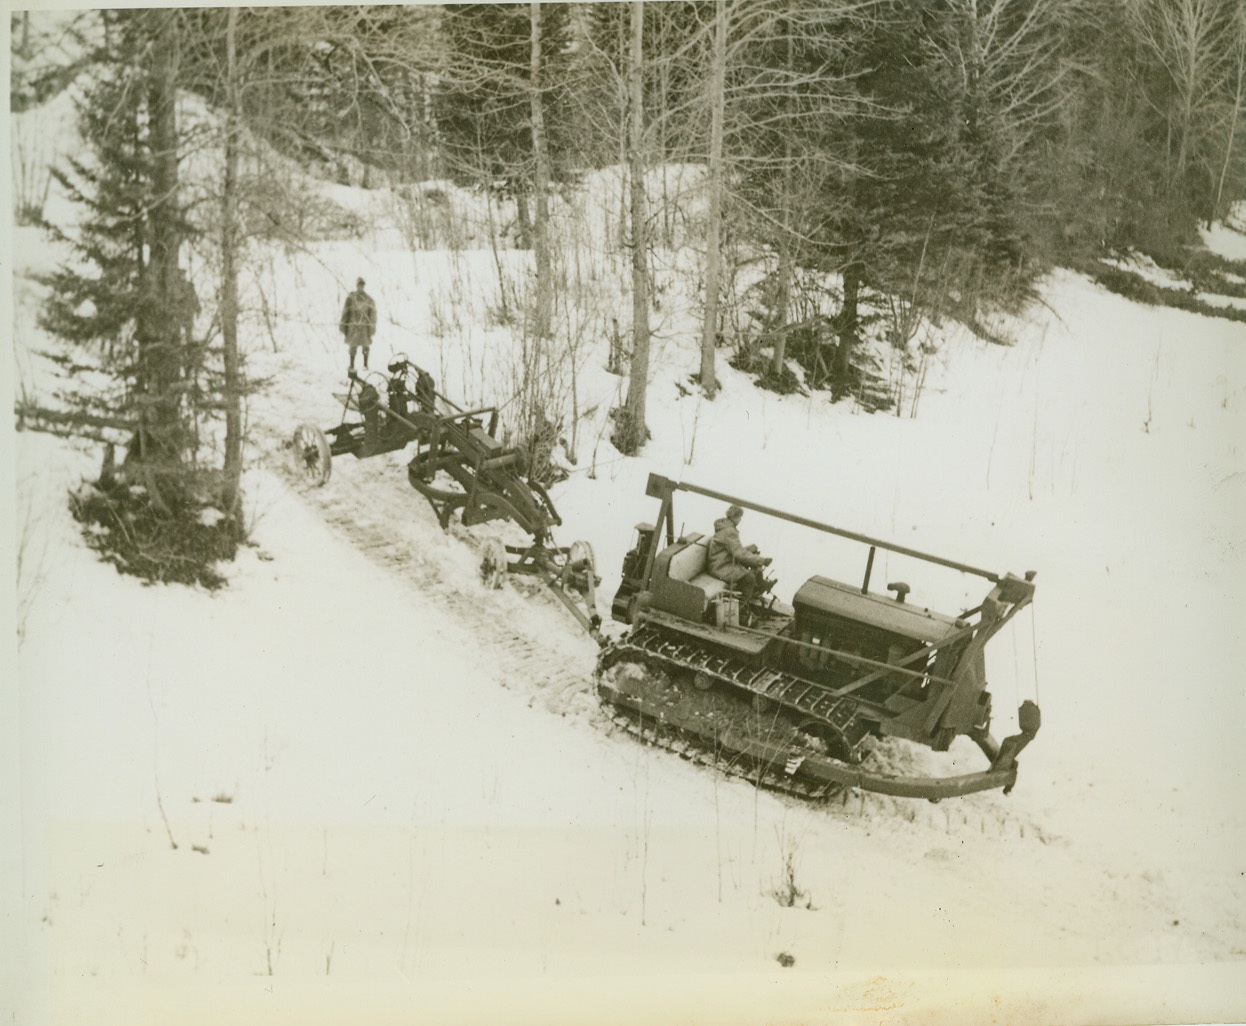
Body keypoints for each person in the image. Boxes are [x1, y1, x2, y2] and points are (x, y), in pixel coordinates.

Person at [707, 504, 772, 608]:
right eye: (740, 517)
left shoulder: (726, 527)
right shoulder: (729, 531)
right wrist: (761, 560)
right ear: (735, 517)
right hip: (720, 566)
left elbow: (734, 549)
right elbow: (738, 553)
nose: (740, 520)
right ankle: (742, 606)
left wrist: (752, 553)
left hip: (721, 560)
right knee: (749, 578)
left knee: (753, 550)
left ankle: (760, 583)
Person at [340, 277, 377, 373]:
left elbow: (372, 314)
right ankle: (351, 364)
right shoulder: (351, 298)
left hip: (364, 327)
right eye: (359, 285)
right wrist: (344, 325)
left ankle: (365, 364)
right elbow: (346, 311)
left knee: (366, 346)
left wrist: (371, 326)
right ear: (357, 286)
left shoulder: (368, 299)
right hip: (354, 326)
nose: (361, 287)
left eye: (362, 285)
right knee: (353, 346)